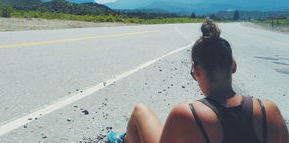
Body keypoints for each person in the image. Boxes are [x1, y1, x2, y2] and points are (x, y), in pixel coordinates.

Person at [107, 19, 288, 143]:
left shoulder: (186, 113)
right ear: (233, 66)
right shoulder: (269, 110)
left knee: (141, 111)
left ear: (196, 70)